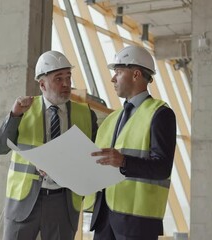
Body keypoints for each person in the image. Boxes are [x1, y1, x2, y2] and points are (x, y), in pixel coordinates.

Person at [0, 50, 98, 240]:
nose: (66, 84)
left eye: (68, 77)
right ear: (42, 84)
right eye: (58, 79)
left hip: (63, 202)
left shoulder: (85, 114)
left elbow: (92, 159)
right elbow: (0, 146)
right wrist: (14, 116)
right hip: (25, 200)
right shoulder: (24, 109)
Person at [89, 45, 177, 240]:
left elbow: (162, 167)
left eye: (118, 72)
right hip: (104, 219)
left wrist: (124, 161)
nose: (113, 78)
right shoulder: (113, 118)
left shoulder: (160, 114)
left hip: (137, 222)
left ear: (136, 74)